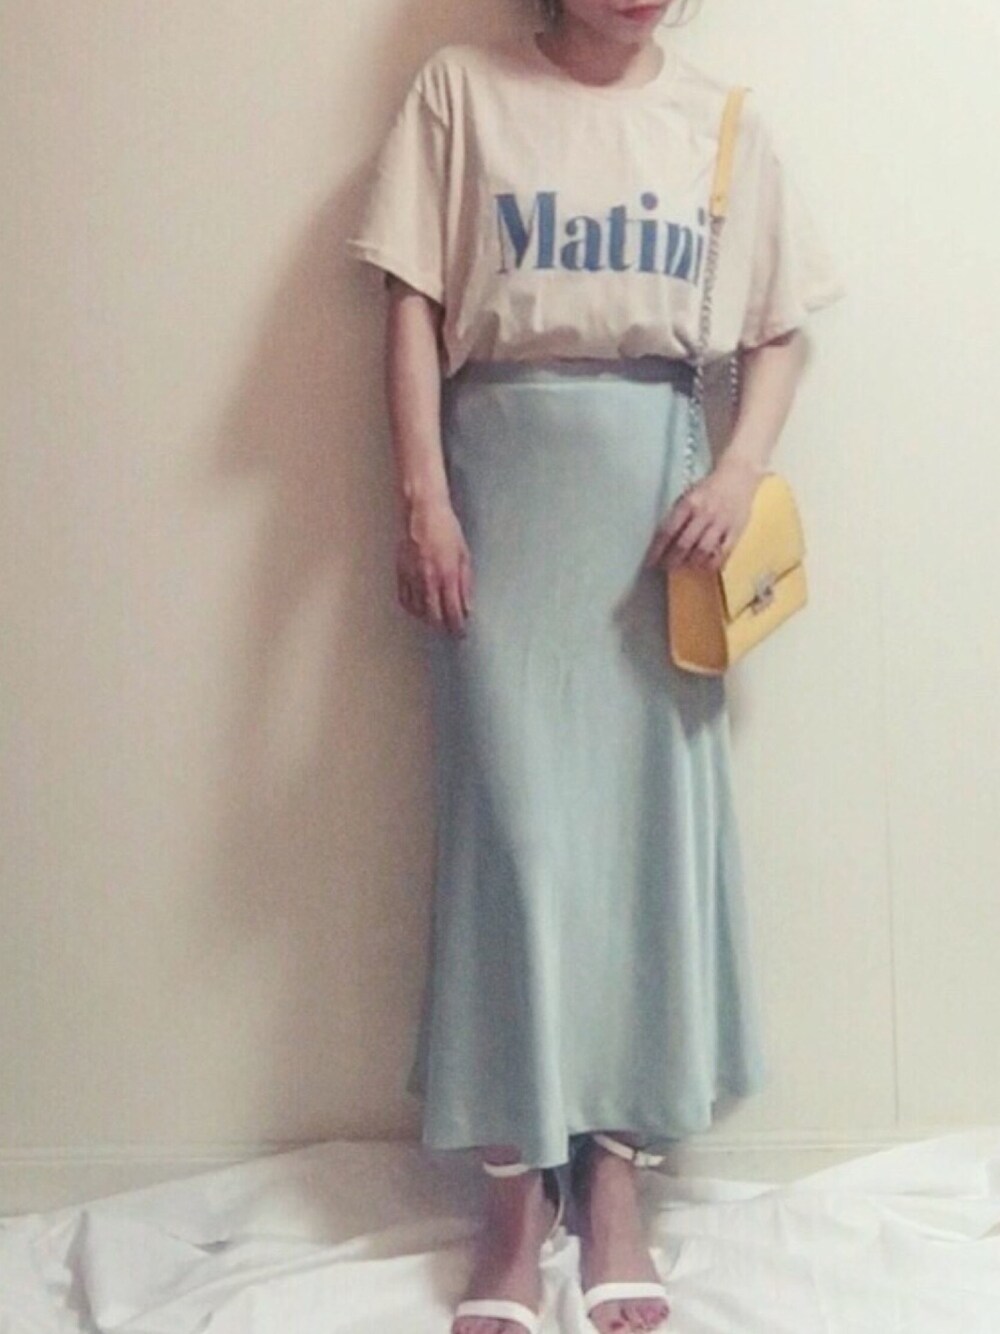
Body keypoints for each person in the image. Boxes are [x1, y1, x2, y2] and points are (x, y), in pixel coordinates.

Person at [345, 2, 846, 1331]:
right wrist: (422, 495)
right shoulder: (460, 93)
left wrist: (740, 470)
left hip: (661, 509)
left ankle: (615, 1178)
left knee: (642, 844)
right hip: (502, 496)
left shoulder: (721, 119)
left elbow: (780, 327)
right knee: (509, 843)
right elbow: (412, 301)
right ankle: (515, 1194)